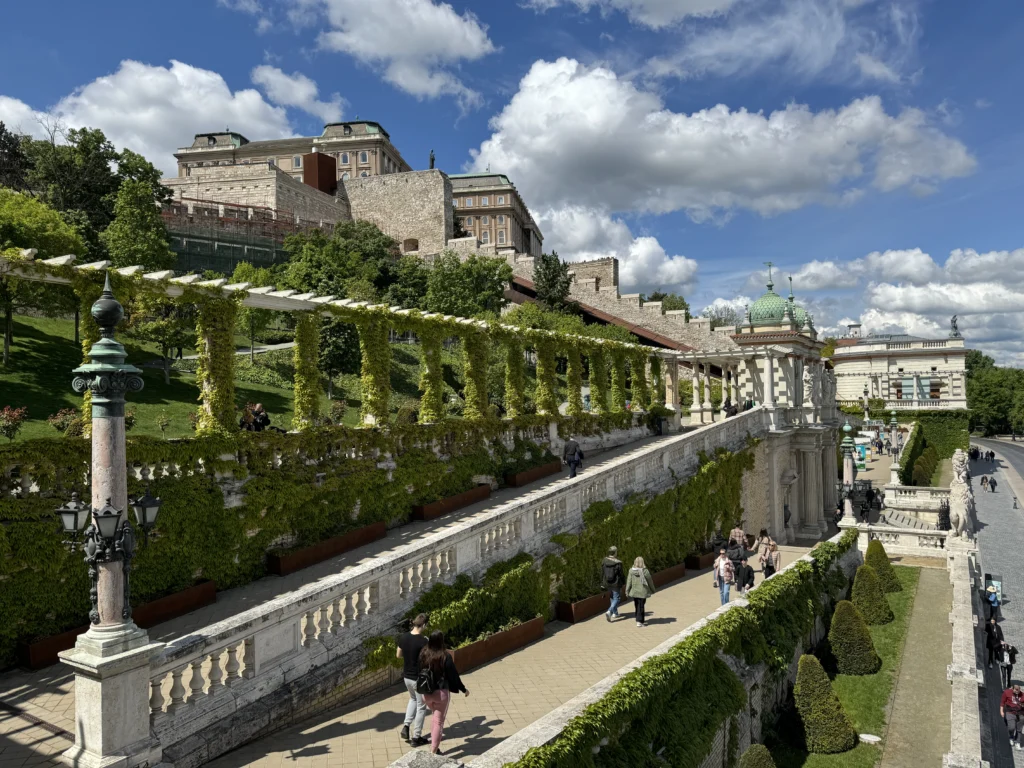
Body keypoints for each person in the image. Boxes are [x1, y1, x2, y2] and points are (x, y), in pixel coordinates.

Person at [417, 631, 469, 755]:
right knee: (439, 721)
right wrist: (463, 689)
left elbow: (418, 669)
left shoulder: (424, 653)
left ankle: (434, 746)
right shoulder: (445, 656)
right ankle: (433, 750)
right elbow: (454, 676)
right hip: (441, 694)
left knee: (434, 717)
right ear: (441, 641)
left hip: (426, 693)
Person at [397, 614, 430, 746]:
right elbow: (428, 659)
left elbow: (398, 655)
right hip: (418, 678)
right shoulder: (423, 641)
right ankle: (416, 737)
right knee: (421, 707)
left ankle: (406, 726)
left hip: (407, 677)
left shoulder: (404, 637)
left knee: (413, 700)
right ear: (424, 625)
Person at [625, 556, 656, 627]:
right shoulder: (645, 571)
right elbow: (650, 581)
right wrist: (653, 589)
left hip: (635, 591)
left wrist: (627, 590)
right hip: (643, 591)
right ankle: (639, 621)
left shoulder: (631, 571)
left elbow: (629, 581)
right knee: (641, 606)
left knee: (636, 605)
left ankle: (638, 618)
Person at [602, 546, 626, 622]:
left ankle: (615, 613)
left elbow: (602, 573)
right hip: (616, 583)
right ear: (615, 552)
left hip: (608, 582)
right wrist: (624, 582)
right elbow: (621, 574)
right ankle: (609, 611)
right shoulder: (618, 563)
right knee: (617, 598)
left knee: (612, 597)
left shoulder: (604, 561)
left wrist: (602, 582)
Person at [1001, 683, 1024, 751]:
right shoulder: (1007, 693)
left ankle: (1017, 742)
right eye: (1016, 689)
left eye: (1018, 689)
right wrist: (1001, 711)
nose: (1017, 691)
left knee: (1019, 729)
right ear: (1012, 689)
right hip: (1010, 712)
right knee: (1011, 727)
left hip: (1021, 713)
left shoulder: (1022, 695)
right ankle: (1011, 736)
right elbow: (1002, 702)